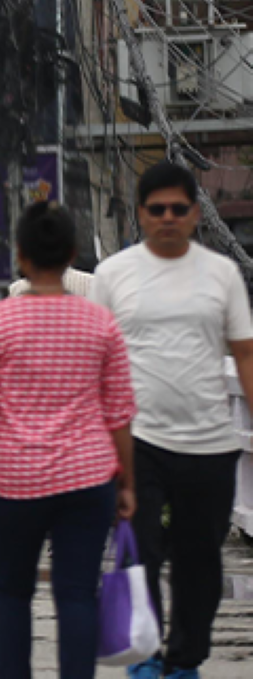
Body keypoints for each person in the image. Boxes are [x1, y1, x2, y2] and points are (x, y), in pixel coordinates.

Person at [0, 202, 136, 679]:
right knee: (76, 594)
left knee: (11, 594)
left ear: (21, 257)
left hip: (14, 482)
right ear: (72, 254)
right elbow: (119, 415)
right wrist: (127, 482)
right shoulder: (101, 324)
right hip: (87, 481)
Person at [91, 162, 253, 679]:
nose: (166, 218)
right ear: (140, 213)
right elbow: (96, 358)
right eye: (155, 209)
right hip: (138, 442)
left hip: (209, 444)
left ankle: (185, 659)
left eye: (178, 209)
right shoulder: (113, 275)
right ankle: (145, 656)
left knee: (200, 561)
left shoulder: (221, 274)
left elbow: (245, 356)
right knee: (141, 553)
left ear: (194, 214)